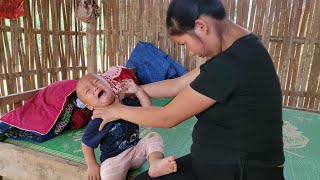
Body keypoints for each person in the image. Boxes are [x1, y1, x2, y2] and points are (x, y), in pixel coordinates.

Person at [92, 0, 285, 179]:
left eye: (184, 44)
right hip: (221, 162)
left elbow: (167, 117)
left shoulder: (232, 64)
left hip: (238, 171)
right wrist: (135, 89)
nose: (191, 52)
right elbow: (178, 84)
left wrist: (117, 111)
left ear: (201, 26)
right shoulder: (243, 47)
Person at [76, 73, 177, 180]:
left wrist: (138, 91)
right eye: (88, 91)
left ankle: (155, 163)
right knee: (106, 172)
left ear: (109, 84)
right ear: (90, 106)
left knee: (154, 136)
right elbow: (86, 143)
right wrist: (92, 164)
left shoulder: (126, 102)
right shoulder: (97, 119)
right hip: (114, 160)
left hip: (136, 151)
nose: (94, 88)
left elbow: (148, 109)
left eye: (96, 82)